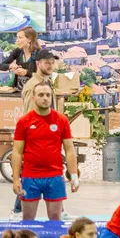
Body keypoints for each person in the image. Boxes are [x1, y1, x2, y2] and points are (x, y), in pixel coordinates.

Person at [12, 82, 79, 221]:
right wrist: (16, 180)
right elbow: (17, 152)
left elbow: (69, 149)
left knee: (55, 221)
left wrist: (74, 175)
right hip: (30, 177)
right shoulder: (24, 122)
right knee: (28, 221)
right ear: (34, 98)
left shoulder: (61, 120)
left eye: (48, 95)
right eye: (41, 95)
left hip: (54, 176)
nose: (45, 98)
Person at [0, 27, 40, 94]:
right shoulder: (18, 51)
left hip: (34, 92)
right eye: (17, 37)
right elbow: (1, 65)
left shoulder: (39, 53)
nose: (17, 40)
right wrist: (10, 66)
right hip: (18, 91)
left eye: (20, 37)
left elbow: (41, 77)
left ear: (29, 39)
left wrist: (26, 72)